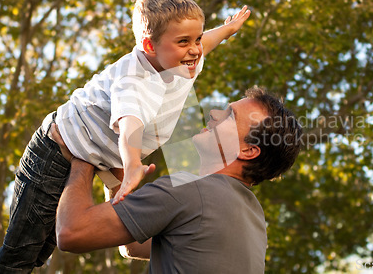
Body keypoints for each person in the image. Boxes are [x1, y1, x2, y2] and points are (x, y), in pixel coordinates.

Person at [0, 0, 250, 273]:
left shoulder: (182, 60)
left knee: (39, 253)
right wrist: (132, 164)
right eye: (184, 41)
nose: (196, 49)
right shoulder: (135, 80)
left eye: (197, 38)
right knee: (20, 254)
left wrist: (227, 29)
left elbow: (207, 42)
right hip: (54, 153)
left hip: (88, 158)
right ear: (150, 46)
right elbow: (129, 125)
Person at [55, 87, 302, 273]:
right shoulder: (253, 219)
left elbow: (71, 233)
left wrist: (83, 156)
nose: (214, 113)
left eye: (229, 116)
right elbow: (133, 244)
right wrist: (117, 180)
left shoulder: (191, 190)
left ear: (248, 150)